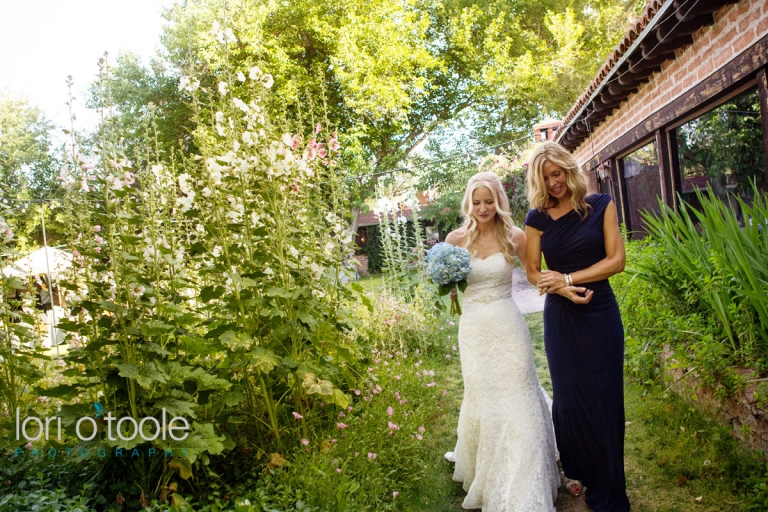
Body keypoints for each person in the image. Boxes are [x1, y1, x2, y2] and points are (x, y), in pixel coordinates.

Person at [524, 141, 630, 512]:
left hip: (600, 313)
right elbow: (533, 271)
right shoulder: (536, 217)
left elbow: (616, 261)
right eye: (546, 177)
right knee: (569, 401)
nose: (554, 182)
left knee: (605, 399)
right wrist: (565, 292)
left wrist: (568, 279)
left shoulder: (601, 205)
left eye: (558, 173)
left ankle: (610, 486)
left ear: (570, 169)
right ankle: (579, 469)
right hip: (562, 317)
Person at [444, 171, 559, 511]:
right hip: (474, 329)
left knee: (518, 392)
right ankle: (486, 466)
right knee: (483, 395)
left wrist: (565, 284)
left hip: (509, 325)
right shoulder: (455, 240)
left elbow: (536, 274)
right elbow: (448, 285)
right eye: (477, 202)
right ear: (469, 203)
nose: (483, 208)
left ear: (499, 202)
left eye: (489, 201)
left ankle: (526, 475)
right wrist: (448, 286)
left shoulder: (516, 236)